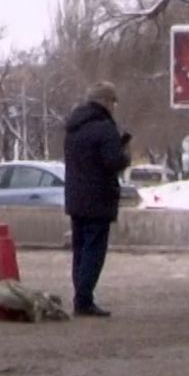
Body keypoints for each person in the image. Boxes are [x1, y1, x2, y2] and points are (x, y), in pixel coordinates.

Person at [63, 80, 130, 318]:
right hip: (98, 199)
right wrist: (124, 154)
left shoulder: (73, 127)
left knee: (80, 250)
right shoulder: (105, 128)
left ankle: (80, 296)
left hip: (75, 198)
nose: (113, 107)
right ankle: (83, 300)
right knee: (94, 251)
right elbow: (113, 162)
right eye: (112, 102)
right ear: (104, 101)